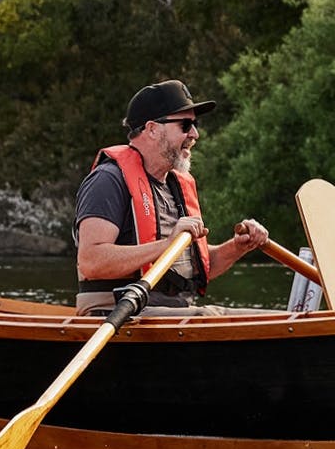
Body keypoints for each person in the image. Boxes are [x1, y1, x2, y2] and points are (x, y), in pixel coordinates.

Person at [74, 79, 273, 316]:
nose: (195, 134)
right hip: (114, 311)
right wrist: (167, 245)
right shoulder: (108, 180)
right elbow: (91, 262)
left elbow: (194, 266)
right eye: (185, 125)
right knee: (210, 317)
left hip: (169, 311)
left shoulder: (174, 185)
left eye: (195, 124)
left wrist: (238, 247)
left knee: (274, 317)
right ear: (152, 129)